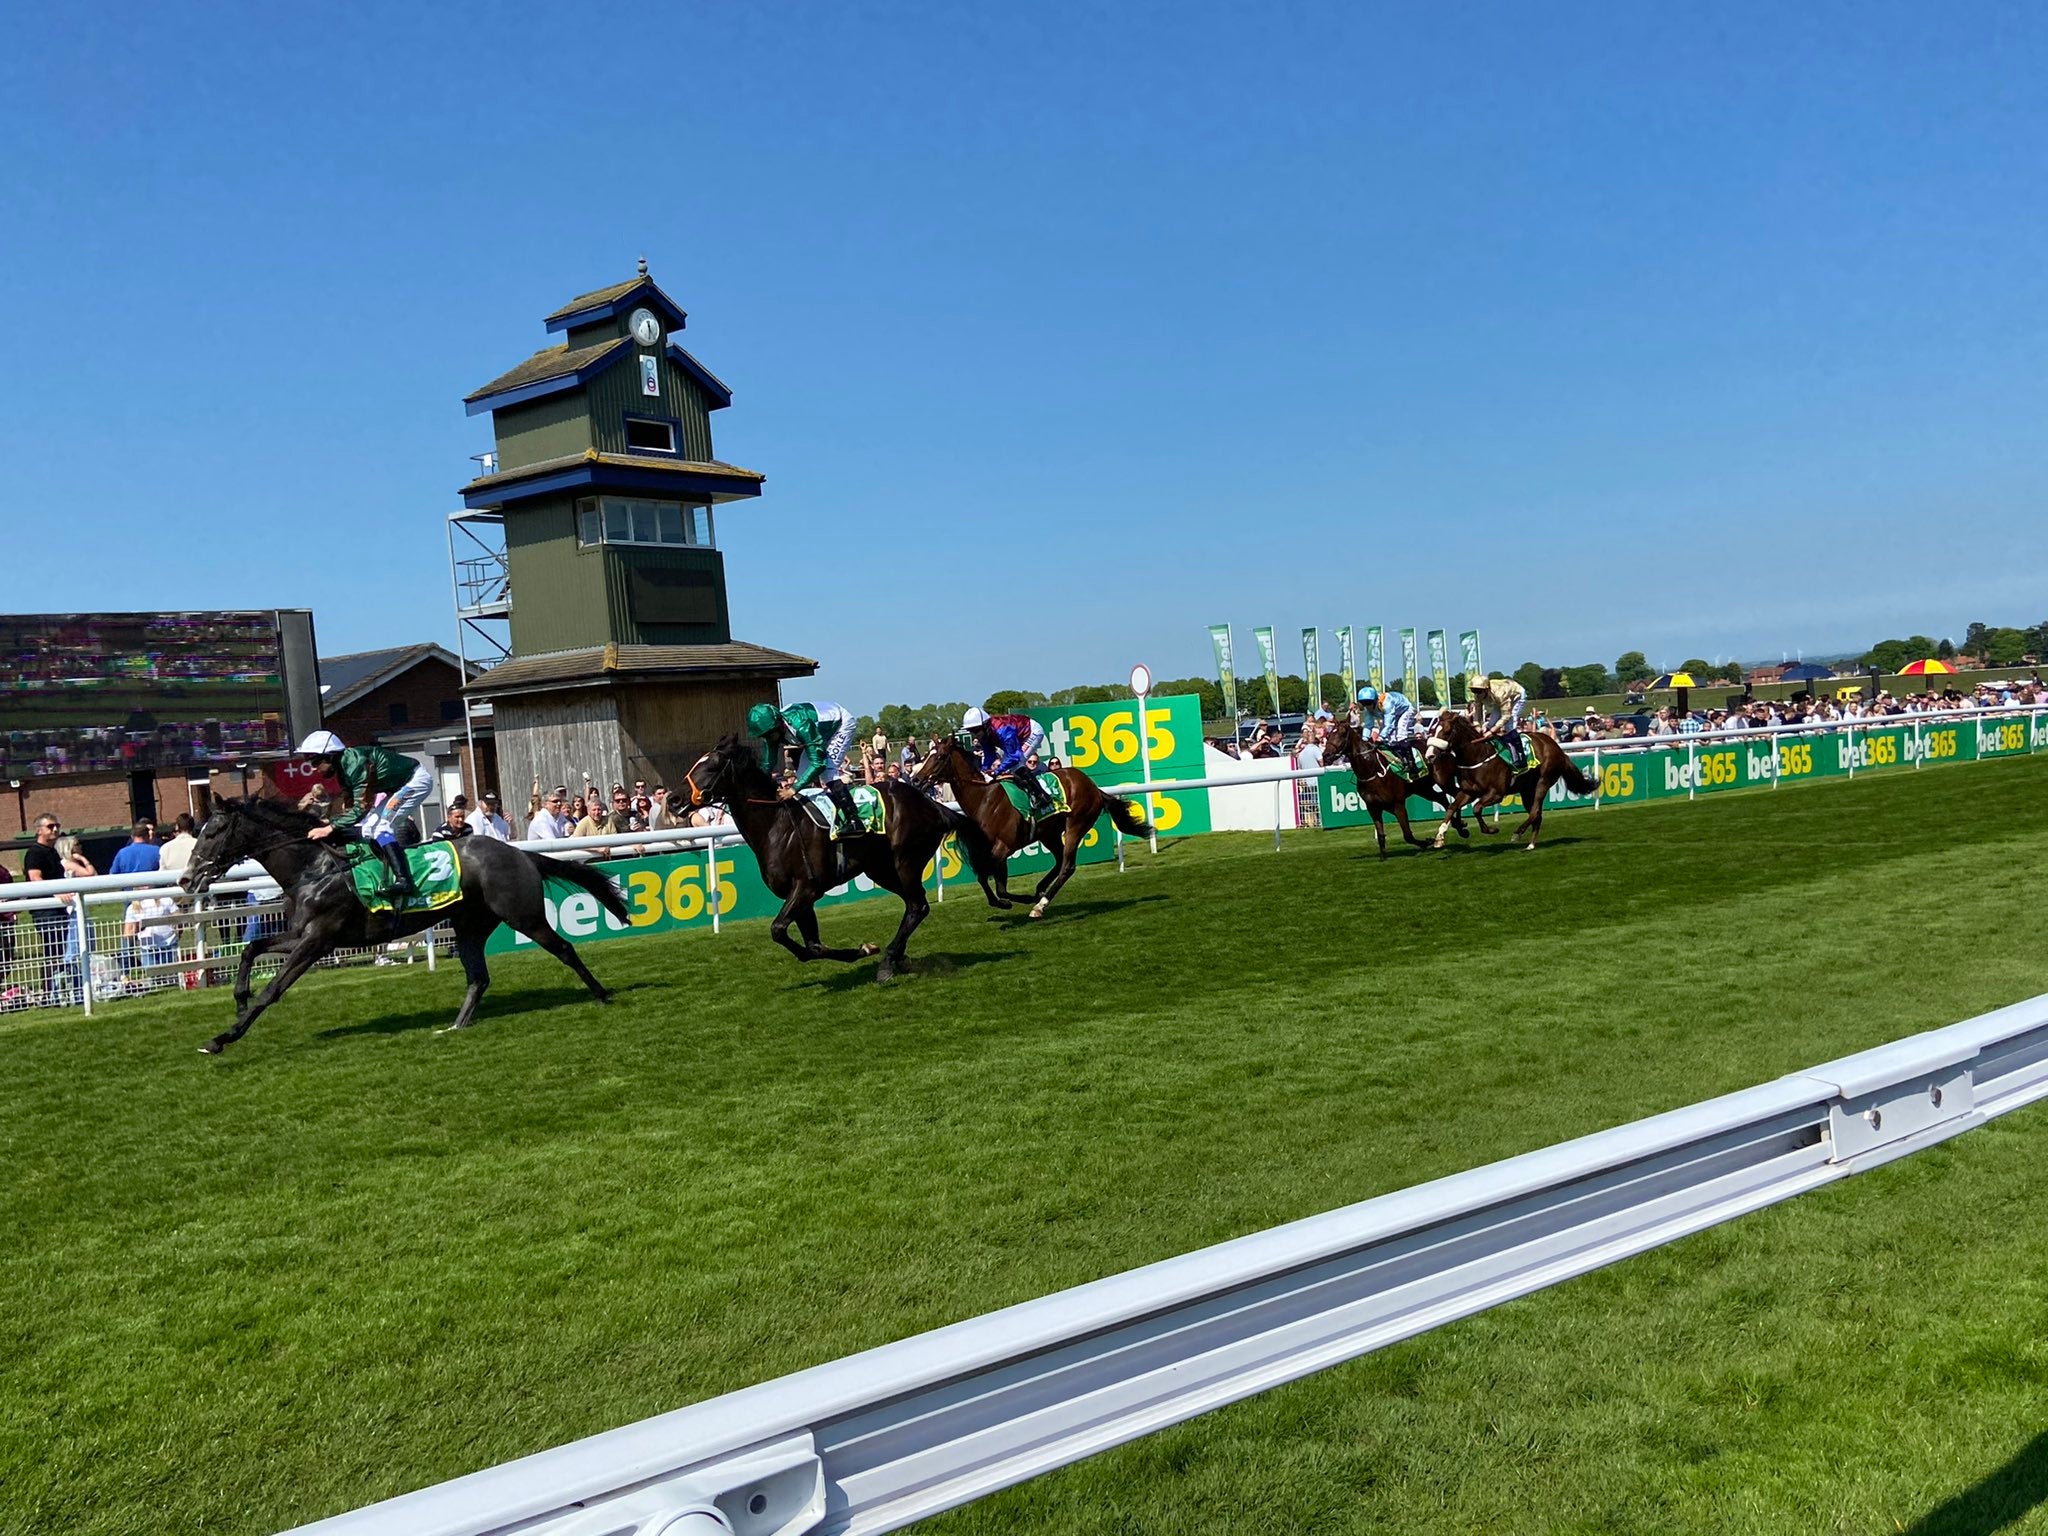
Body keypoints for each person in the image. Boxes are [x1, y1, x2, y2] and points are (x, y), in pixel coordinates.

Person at [294, 730, 435, 899]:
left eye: (316, 762)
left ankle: (404, 880)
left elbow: (361, 808)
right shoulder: (343, 769)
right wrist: (330, 824)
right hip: (398, 787)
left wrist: (330, 828)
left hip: (415, 780)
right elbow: (350, 808)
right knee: (368, 828)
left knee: (382, 826)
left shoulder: (356, 763)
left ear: (330, 756)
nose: (314, 769)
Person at [746, 700, 863, 831]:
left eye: (769, 734)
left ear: (778, 724)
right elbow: (768, 765)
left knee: (827, 772)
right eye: (764, 736)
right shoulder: (772, 730)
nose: (768, 739)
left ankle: (854, 820)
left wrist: (792, 789)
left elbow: (818, 764)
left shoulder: (802, 726)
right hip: (819, 732)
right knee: (802, 777)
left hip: (841, 724)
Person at [961, 706, 1055, 815]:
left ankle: (1042, 795)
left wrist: (997, 771)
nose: (975, 735)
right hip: (1017, 736)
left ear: (985, 725)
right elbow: (989, 755)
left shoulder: (1003, 730)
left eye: (976, 730)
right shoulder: (984, 734)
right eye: (971, 731)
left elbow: (1014, 756)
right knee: (1009, 767)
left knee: (1017, 763)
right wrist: (983, 770)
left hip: (1032, 732)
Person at [22, 814, 70, 1001]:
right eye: (51, 826)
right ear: (39, 830)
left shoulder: (52, 852)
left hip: (59, 908)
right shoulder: (35, 852)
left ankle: (59, 987)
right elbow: (35, 878)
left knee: (60, 949)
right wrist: (55, 893)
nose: (55, 829)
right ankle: (50, 991)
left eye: (57, 825)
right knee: (53, 949)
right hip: (45, 909)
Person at [1467, 672, 1529, 769]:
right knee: (1490, 724)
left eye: (1479, 691)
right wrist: (1478, 726)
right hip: (1498, 699)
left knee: (1509, 725)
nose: (1477, 694)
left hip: (1517, 696)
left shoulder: (1500, 694)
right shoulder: (1478, 695)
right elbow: (1477, 713)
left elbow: (1506, 716)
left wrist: (1492, 731)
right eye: (1474, 691)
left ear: (1486, 690)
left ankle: (1521, 756)